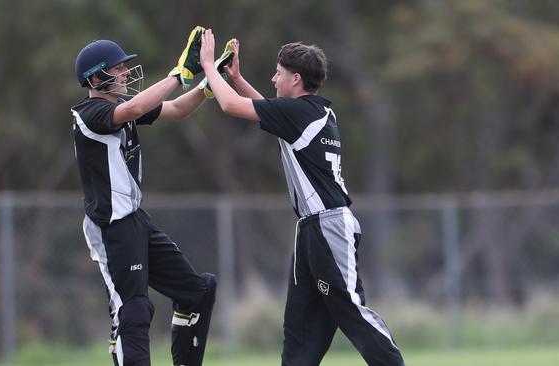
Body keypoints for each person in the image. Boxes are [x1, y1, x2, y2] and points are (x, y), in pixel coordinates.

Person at [199, 30, 405, 366]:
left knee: (352, 311)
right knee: (301, 329)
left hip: (328, 227)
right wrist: (235, 78)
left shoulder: (301, 115)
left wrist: (208, 66)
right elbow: (268, 110)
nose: (273, 79)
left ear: (295, 79)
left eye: (278, 74)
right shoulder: (310, 112)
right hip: (312, 231)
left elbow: (229, 105)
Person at [71, 26, 222, 366]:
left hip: (136, 220)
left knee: (197, 291)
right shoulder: (89, 113)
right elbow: (134, 109)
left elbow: (179, 109)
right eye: (118, 67)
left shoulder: (126, 104)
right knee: (134, 310)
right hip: (111, 227)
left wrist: (208, 82)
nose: (125, 72)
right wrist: (178, 73)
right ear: (95, 80)